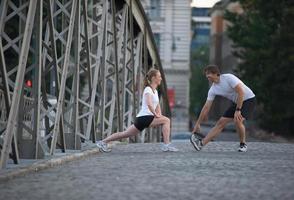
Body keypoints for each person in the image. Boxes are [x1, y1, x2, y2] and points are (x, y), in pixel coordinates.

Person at [96, 68, 178, 152]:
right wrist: (156, 115)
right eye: (159, 76)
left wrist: (159, 115)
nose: (161, 78)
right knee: (167, 120)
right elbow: (149, 104)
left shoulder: (155, 92)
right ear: (153, 78)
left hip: (143, 119)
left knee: (125, 134)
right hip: (145, 117)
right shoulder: (148, 89)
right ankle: (166, 145)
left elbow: (157, 106)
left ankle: (102, 142)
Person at [190, 65, 256, 152]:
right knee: (220, 122)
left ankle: (243, 144)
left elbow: (241, 91)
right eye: (206, 75)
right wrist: (198, 123)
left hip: (249, 99)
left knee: (237, 120)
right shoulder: (213, 89)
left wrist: (238, 110)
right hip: (237, 102)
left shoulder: (228, 78)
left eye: (208, 74)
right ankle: (201, 144)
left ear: (216, 74)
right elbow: (206, 107)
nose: (207, 77)